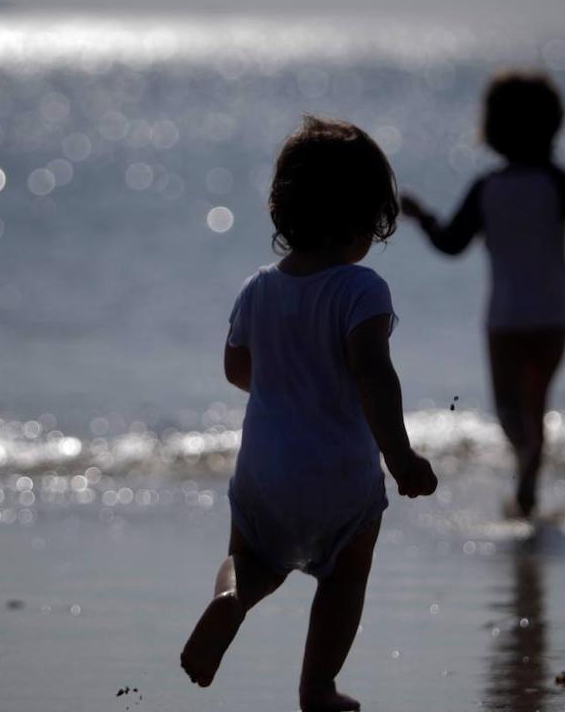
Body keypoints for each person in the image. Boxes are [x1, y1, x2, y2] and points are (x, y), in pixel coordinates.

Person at [180, 116, 438, 712]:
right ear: (365, 219)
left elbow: (237, 370)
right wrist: (401, 458)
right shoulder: (361, 290)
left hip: (265, 473)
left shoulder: (256, 289)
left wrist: (286, 383)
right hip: (339, 478)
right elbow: (373, 375)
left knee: (248, 563)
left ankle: (230, 603)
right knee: (344, 578)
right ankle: (317, 687)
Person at [400, 70, 565, 518]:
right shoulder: (560, 183)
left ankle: (526, 464)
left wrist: (421, 215)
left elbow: (451, 243)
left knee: (508, 409)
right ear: (554, 125)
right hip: (554, 313)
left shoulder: (489, 188)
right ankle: (530, 472)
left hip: (505, 317)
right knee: (536, 399)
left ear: (493, 130)